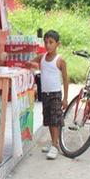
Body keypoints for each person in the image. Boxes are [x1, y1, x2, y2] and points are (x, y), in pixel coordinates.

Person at [26, 30, 69, 160]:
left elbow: (66, 79)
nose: (48, 45)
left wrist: (65, 98)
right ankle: (53, 143)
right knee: (49, 119)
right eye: (45, 42)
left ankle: (55, 147)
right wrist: (32, 64)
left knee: (55, 120)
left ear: (57, 44)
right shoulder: (42, 57)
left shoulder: (60, 60)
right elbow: (30, 63)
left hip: (56, 93)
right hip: (45, 94)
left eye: (51, 42)